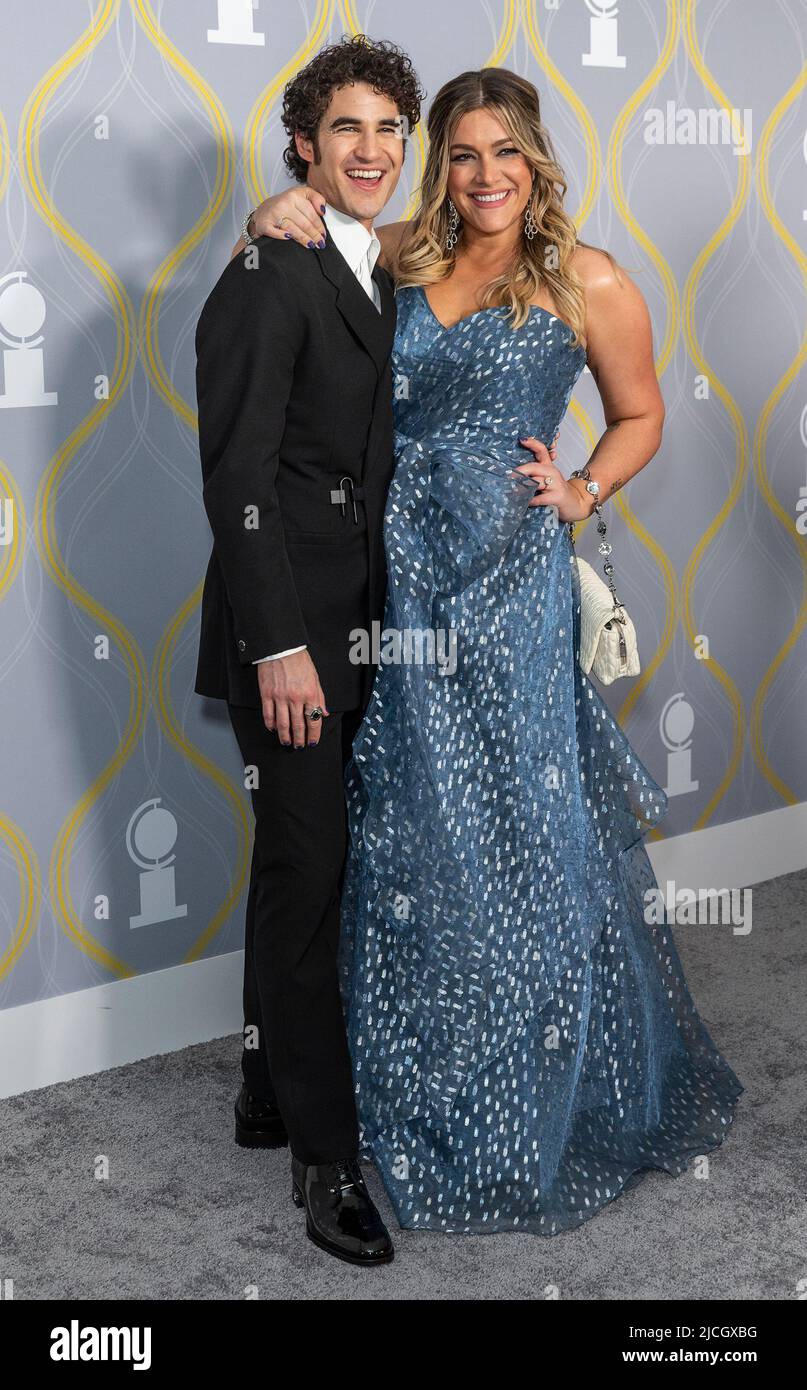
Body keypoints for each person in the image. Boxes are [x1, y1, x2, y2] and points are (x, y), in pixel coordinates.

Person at [244, 64, 743, 1235]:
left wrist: (584, 488)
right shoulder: (395, 248)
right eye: (462, 154)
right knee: (404, 826)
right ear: (441, 162)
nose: (484, 177)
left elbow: (643, 409)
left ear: (536, 159)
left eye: (503, 153)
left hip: (506, 589)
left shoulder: (588, 277)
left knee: (515, 832)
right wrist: (266, 217)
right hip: (386, 577)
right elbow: (288, 268)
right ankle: (387, 1089)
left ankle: (526, 1093)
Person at [194, 36, 424, 1266]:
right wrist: (279, 644)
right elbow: (236, 472)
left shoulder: (374, 264)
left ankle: (263, 1083)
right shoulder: (267, 270)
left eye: (390, 129)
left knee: (298, 862)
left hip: (369, 621)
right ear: (302, 143)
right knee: (310, 872)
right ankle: (325, 1164)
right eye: (346, 130)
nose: (372, 151)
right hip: (290, 632)